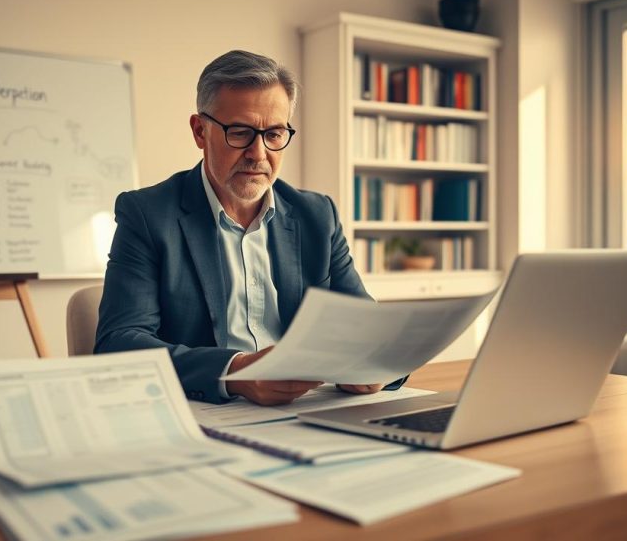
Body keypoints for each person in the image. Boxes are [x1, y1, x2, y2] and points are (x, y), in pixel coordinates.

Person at [95, 50, 403, 405]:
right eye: (240, 133)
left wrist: (375, 368)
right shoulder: (148, 214)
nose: (258, 153)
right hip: (203, 414)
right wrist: (236, 372)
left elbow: (372, 332)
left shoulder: (317, 215)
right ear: (200, 131)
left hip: (311, 411)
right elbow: (117, 344)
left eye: (274, 134)